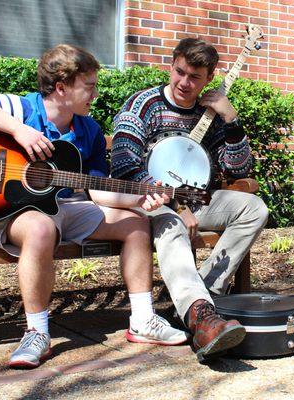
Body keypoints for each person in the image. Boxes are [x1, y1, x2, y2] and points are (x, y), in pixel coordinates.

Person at [0, 44, 188, 369]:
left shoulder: (87, 129)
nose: (95, 93)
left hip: (66, 208)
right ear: (62, 87)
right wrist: (19, 131)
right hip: (16, 211)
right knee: (40, 227)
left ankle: (143, 319)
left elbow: (98, 191)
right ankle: (37, 333)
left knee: (135, 223)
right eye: (88, 86)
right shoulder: (23, 110)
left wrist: (142, 197)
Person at [109, 37, 269, 362]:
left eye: (194, 77)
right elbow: (124, 163)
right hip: (151, 203)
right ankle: (200, 316)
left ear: (209, 79)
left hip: (200, 200)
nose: (184, 82)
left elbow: (238, 168)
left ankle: (205, 292)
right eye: (179, 72)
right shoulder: (144, 105)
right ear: (171, 66)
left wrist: (231, 120)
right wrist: (174, 206)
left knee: (255, 208)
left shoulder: (209, 113)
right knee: (171, 225)